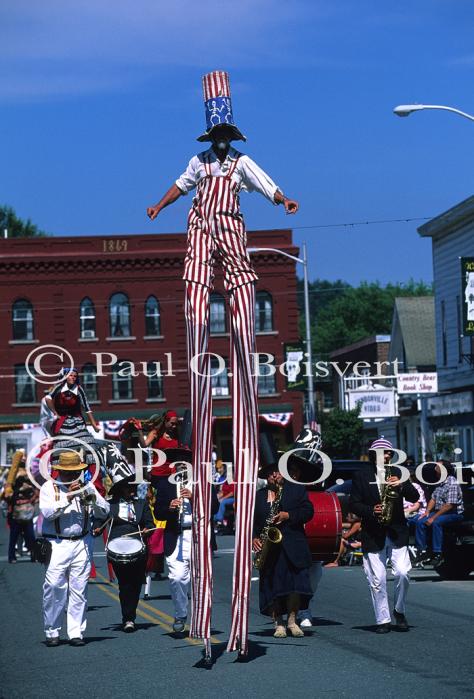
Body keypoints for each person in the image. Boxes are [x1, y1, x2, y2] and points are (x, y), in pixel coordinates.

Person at [147, 70, 299, 656]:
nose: (218, 148)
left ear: (230, 137)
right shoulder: (198, 169)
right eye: (213, 140)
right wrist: (160, 205)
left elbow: (265, 183)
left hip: (230, 234)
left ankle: (235, 321)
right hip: (198, 236)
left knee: (237, 273)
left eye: (223, 139)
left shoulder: (237, 167)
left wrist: (283, 197)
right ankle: (199, 321)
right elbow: (177, 187)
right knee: (195, 271)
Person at [350, 437, 419, 634]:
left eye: (389, 453)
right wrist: (372, 510)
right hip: (373, 532)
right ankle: (383, 619)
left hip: (397, 531)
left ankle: (399, 610)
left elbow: (414, 497)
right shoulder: (361, 476)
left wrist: (402, 485)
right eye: (383, 453)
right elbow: (354, 504)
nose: (387, 456)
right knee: (377, 579)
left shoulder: (398, 473)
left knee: (403, 573)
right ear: (373, 456)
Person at [39, 451, 109, 646]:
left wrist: (91, 498)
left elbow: (105, 510)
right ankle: (52, 630)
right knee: (54, 586)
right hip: (57, 542)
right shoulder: (48, 487)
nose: (72, 476)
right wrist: (68, 497)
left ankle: (76, 632)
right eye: (68, 472)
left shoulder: (87, 487)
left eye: (75, 472)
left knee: (79, 588)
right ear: (60, 470)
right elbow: (48, 513)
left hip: (82, 542)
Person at [154, 463, 218, 633]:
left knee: (201, 579)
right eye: (178, 464)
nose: (182, 467)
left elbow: (215, 507)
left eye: (186, 463)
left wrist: (194, 497)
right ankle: (180, 613)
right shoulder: (166, 484)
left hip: (200, 535)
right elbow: (158, 512)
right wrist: (169, 507)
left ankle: (201, 618)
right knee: (177, 577)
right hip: (176, 535)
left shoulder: (203, 482)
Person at [253, 466, 314, 639]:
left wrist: (288, 515)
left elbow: (308, 511)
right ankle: (278, 623)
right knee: (273, 587)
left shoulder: (296, 489)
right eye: (270, 473)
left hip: (293, 545)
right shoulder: (258, 496)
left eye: (277, 471)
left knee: (295, 587)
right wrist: (253, 537)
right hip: (269, 549)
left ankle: (292, 621)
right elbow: (250, 521)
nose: (274, 475)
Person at [96, 476, 154, 632]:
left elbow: (150, 523)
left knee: (135, 585)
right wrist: (97, 529)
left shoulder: (141, 504)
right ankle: (128, 618)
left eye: (133, 487)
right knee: (124, 584)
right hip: (117, 547)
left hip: (138, 547)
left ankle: (130, 616)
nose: (132, 490)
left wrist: (147, 528)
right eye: (129, 487)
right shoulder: (110, 505)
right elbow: (99, 522)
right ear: (121, 489)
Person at [45, 368, 100, 467]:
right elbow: (48, 398)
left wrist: (94, 425)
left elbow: (87, 407)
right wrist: (55, 413)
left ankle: (92, 466)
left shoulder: (79, 389)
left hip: (77, 421)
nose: (73, 378)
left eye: (75, 376)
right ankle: (57, 466)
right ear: (66, 376)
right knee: (59, 443)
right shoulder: (58, 387)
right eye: (71, 375)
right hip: (62, 421)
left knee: (88, 441)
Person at [415, 460, 464, 566]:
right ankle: (422, 550)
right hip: (441, 512)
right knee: (420, 521)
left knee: (436, 522)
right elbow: (433, 499)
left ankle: (437, 552)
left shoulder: (452, 482)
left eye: (438, 466)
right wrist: (427, 512)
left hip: (453, 513)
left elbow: (450, 505)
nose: (435, 467)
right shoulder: (440, 482)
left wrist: (433, 518)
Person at [7, 470, 38, 563]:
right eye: (21, 479)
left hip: (28, 516)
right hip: (16, 516)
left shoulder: (30, 486)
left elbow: (36, 493)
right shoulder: (12, 487)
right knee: (14, 537)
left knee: (31, 537)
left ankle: (34, 556)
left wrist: (29, 500)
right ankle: (12, 557)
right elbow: (8, 497)